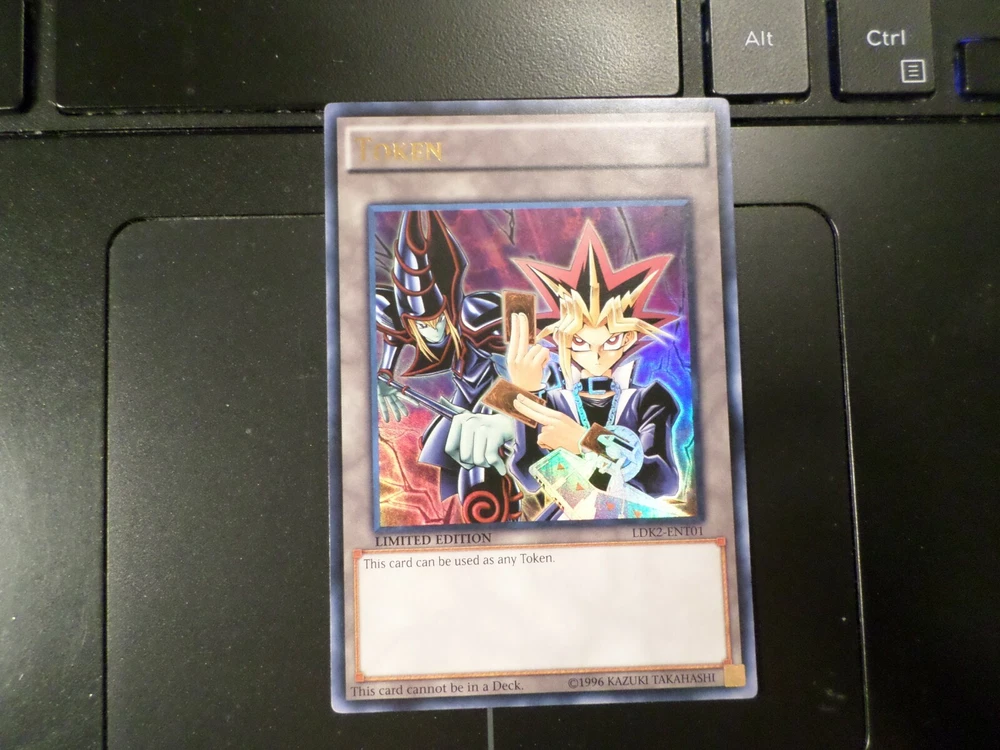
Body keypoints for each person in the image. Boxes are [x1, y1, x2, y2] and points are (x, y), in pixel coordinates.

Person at [446, 220, 682, 518]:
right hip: (568, 519)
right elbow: (528, 474)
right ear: (563, 340)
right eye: (580, 341)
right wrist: (525, 391)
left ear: (628, 338)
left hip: (629, 521)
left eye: (610, 340)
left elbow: (663, 480)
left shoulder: (650, 398)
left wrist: (587, 442)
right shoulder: (556, 400)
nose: (596, 353)